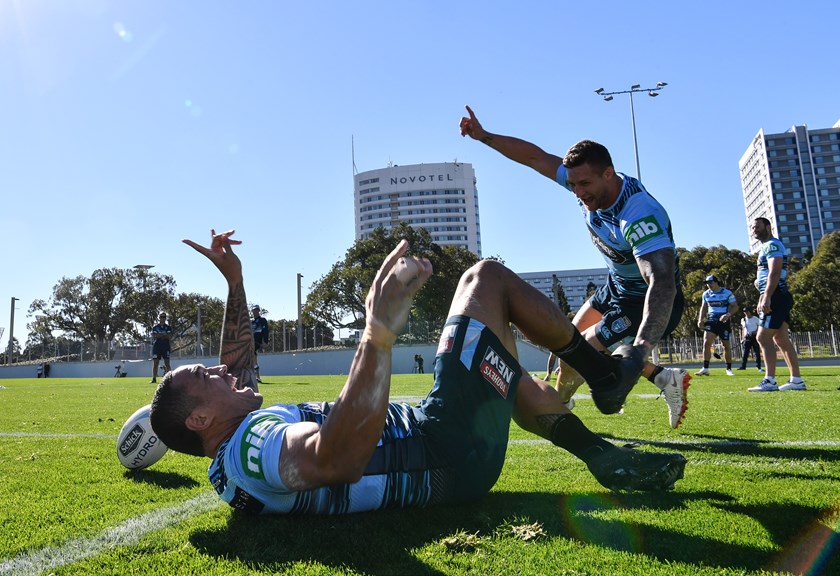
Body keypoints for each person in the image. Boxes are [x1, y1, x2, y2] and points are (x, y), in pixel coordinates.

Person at [149, 230, 686, 515]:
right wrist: (376, 332)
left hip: (456, 463)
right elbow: (336, 459)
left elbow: (237, 364)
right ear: (199, 420)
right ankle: (603, 375)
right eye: (206, 376)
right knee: (483, 279)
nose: (224, 371)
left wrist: (234, 282)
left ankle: (602, 457)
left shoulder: (230, 454)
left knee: (500, 366)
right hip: (441, 446)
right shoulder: (253, 446)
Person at [459, 105, 690, 428]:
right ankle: (663, 379)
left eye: (584, 184)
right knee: (562, 345)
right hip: (616, 288)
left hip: (645, 301)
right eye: (573, 184)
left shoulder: (638, 214)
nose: (578, 193)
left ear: (608, 173)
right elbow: (535, 158)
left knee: (575, 358)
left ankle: (557, 411)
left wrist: (640, 349)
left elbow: (663, 283)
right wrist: (484, 137)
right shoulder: (580, 183)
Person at [748, 217, 805, 392]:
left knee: (762, 337)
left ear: (767, 226)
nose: (754, 230)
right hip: (776, 295)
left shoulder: (772, 245)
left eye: (757, 227)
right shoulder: (765, 247)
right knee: (780, 338)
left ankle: (770, 380)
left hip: (777, 296)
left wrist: (767, 296)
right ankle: (796, 380)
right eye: (752, 228)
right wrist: (762, 296)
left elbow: (775, 270)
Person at [695, 275, 739, 376]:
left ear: (716, 282)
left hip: (723, 322)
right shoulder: (706, 294)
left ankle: (728, 368)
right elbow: (704, 307)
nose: (709, 285)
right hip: (711, 321)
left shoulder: (727, 293)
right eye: (707, 283)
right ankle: (705, 368)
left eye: (710, 283)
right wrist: (700, 319)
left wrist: (727, 315)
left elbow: (735, 307)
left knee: (725, 345)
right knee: (706, 343)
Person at [150, 312, 172, 384]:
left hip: (166, 346)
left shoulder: (168, 327)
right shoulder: (155, 327)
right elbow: (155, 335)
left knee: (167, 363)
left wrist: (160, 335)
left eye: (164, 317)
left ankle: (169, 379)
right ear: (159, 318)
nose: (162, 318)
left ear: (165, 318)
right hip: (157, 347)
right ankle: (154, 378)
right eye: (161, 317)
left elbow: (169, 336)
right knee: (155, 363)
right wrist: (164, 335)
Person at [251, 304, 269, 384]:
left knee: (253, 355)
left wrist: (265, 341)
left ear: (259, 311)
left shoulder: (262, 320)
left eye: (256, 310)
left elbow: (265, 331)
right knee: (252, 357)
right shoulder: (251, 322)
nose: (255, 311)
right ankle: (256, 376)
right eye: (254, 310)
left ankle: (257, 376)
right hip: (250, 341)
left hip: (257, 341)